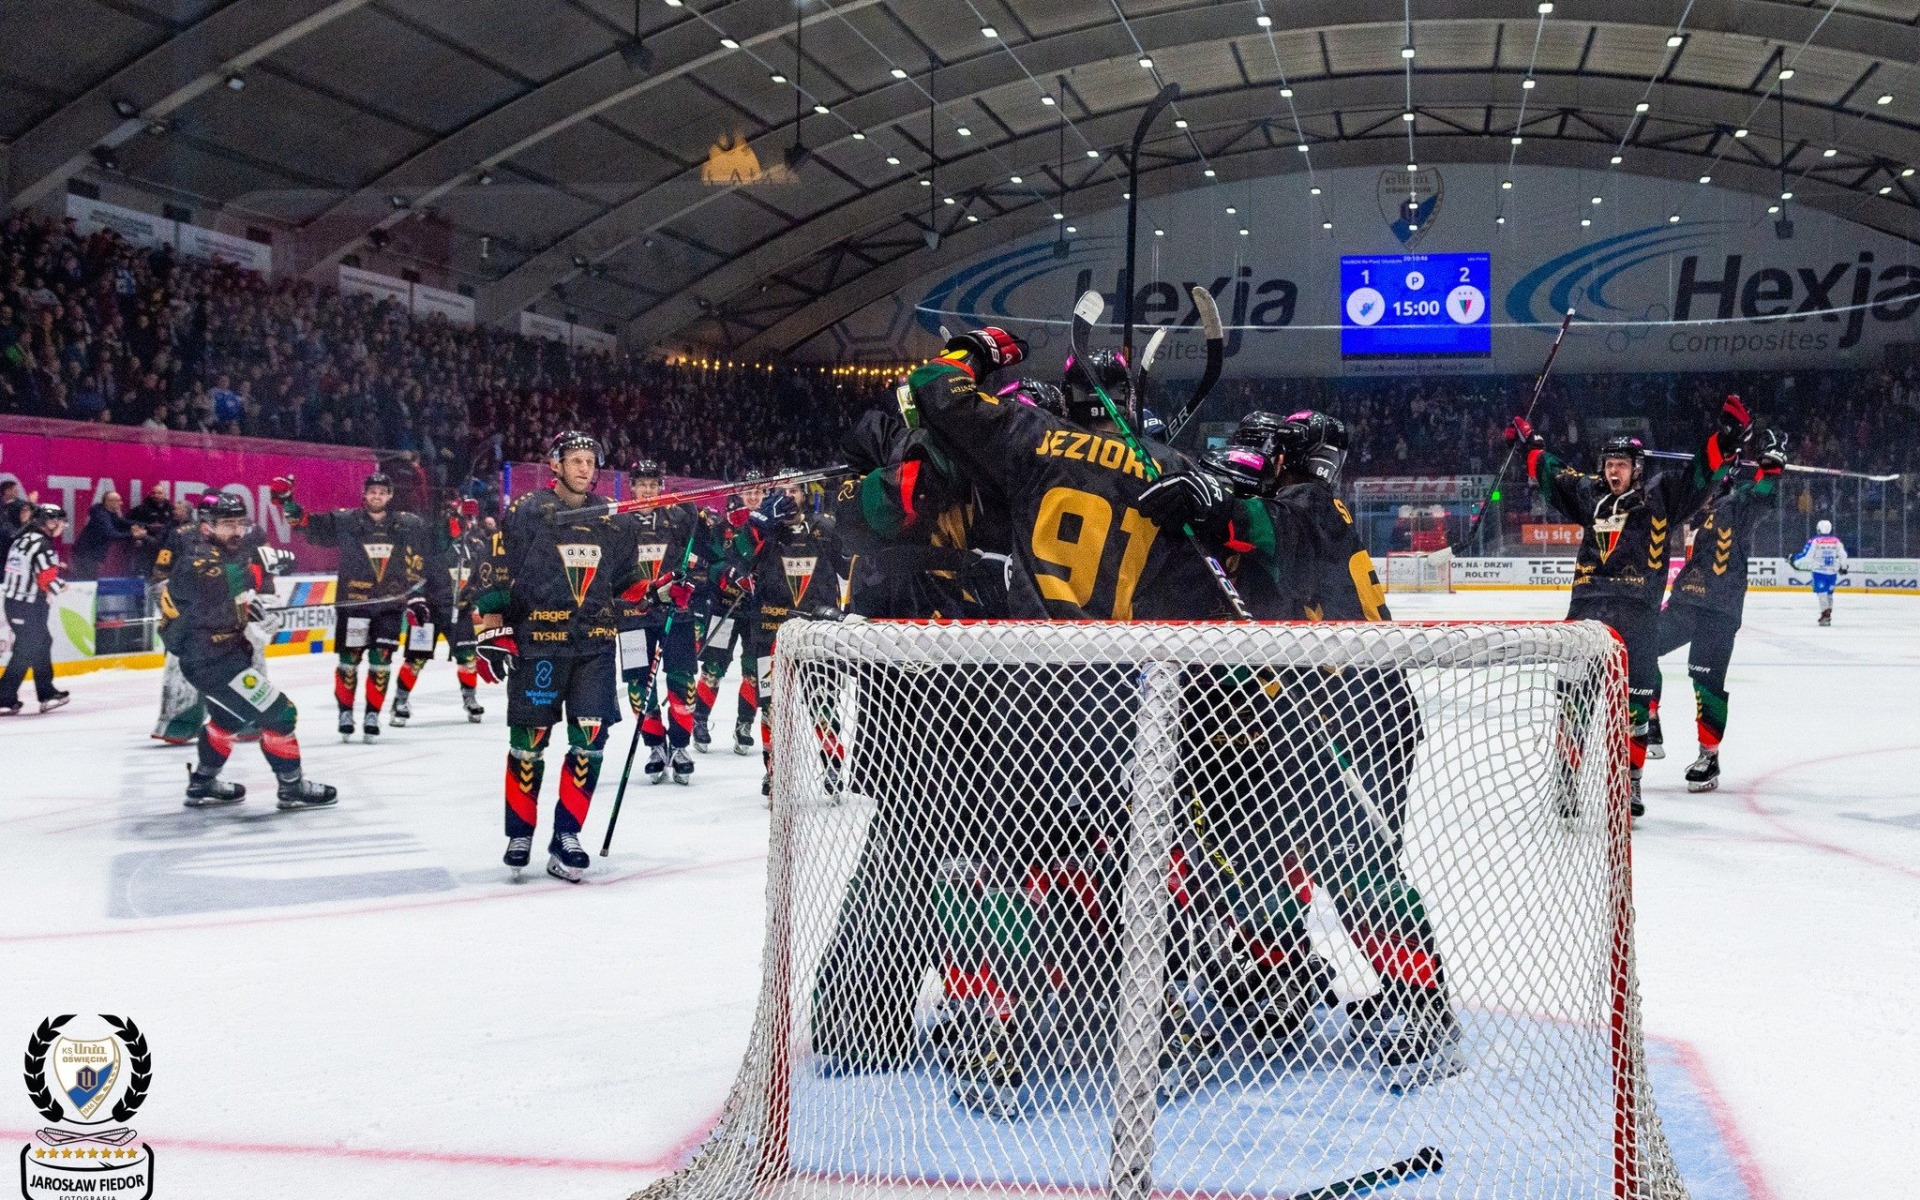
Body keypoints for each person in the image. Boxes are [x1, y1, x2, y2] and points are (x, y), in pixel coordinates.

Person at [1508, 394, 1749, 818]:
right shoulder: (1589, 495)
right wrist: (1532, 446)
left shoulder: (1662, 496)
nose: (1612, 471)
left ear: (1637, 468)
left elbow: (1699, 473)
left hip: (1637, 616)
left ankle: (1630, 785)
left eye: (1620, 464)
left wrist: (1726, 440)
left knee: (1635, 709)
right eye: (1608, 464)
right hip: (1586, 613)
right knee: (1575, 703)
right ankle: (1568, 779)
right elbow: (1554, 474)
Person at [471, 431, 650, 883]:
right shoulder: (527, 512)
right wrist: (492, 630)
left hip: (594, 646)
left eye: (591, 460)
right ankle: (520, 834)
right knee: (527, 744)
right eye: (576, 460)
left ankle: (567, 835)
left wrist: (660, 590)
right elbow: (498, 574)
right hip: (540, 646)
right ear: (555, 464)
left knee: (588, 743)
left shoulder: (614, 521)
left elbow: (627, 583)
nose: (585, 468)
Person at [155, 492, 335, 809]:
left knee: (228, 719)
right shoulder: (196, 559)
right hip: (213, 662)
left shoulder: (227, 554)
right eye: (227, 524)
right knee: (282, 714)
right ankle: (291, 786)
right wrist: (259, 567)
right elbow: (218, 580)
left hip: (227, 655)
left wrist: (247, 610)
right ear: (207, 526)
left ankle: (203, 782)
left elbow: (222, 598)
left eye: (240, 523)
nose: (237, 531)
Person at [1652, 431, 1787, 792]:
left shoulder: (1736, 504)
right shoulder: (1690, 507)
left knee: (1705, 681)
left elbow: (1761, 495)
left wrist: (1770, 469)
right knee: (1640, 649)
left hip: (1719, 609)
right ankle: (1649, 722)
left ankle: (1708, 757)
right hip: (1683, 602)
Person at [272, 471, 430, 742]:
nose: (377, 495)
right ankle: (345, 713)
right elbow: (306, 523)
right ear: (364, 494)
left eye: (382, 491)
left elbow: (425, 555)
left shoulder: (408, 524)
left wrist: (418, 597)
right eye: (372, 491)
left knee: (381, 660)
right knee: (349, 661)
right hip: (353, 604)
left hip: (389, 605)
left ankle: (372, 714)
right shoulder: (345, 520)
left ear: (390, 496)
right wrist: (287, 500)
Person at [723, 472, 847, 796]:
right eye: (781, 490)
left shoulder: (824, 528)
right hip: (769, 630)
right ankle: (772, 770)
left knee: (823, 703)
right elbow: (734, 563)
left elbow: (850, 568)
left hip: (816, 630)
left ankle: (833, 765)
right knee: (771, 707)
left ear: (806, 494)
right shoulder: (764, 529)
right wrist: (760, 520)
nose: (787, 496)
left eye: (793, 490)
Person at [612, 460, 701, 785]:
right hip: (633, 617)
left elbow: (698, 550)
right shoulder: (619, 523)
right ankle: (655, 746)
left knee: (682, 681)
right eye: (641, 484)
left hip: (675, 615)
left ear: (660, 487)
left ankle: (679, 747)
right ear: (632, 487)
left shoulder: (677, 517)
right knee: (639, 686)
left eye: (652, 484)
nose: (647, 490)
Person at [391, 496, 487, 726]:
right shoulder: (434, 539)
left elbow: (480, 578)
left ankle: (470, 699)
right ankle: (400, 702)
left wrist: (471, 597)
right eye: (463, 517)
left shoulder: (476, 545)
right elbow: (416, 572)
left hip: (460, 609)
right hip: (430, 611)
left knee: (468, 657)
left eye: (470, 518)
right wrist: (417, 600)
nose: (467, 522)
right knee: (415, 659)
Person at [691, 471, 767, 755]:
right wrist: (727, 574)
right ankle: (699, 720)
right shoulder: (722, 527)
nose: (753, 496)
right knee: (713, 667)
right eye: (748, 490)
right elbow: (707, 566)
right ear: (739, 493)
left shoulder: (772, 528)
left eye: (758, 491)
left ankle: (744, 725)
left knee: (752, 672)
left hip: (756, 612)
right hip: (724, 607)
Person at [0, 503, 71, 714]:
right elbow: (46, 580)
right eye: (59, 521)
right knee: (29, 648)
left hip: (17, 603)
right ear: (49, 522)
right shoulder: (43, 545)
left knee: (36, 645)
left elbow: (28, 568)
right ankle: (38, 694)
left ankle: (19, 694)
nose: (62, 526)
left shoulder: (24, 538)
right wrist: (62, 586)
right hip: (28, 605)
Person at [69, 490, 147, 580]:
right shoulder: (101, 515)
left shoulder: (109, 513)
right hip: (85, 555)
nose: (121, 503)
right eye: (118, 501)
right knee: (88, 583)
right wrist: (133, 535)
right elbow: (112, 534)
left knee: (91, 581)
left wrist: (142, 525)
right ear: (109, 502)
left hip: (91, 554)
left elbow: (120, 522)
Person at [1791, 518, 1850, 626]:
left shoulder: (1814, 541)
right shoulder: (1836, 541)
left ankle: (1825, 615)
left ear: (1818, 529)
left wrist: (1793, 558)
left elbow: (1806, 555)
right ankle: (1828, 613)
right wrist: (1844, 566)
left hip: (1819, 572)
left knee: (1821, 593)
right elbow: (1843, 555)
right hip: (1832, 572)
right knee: (1829, 594)